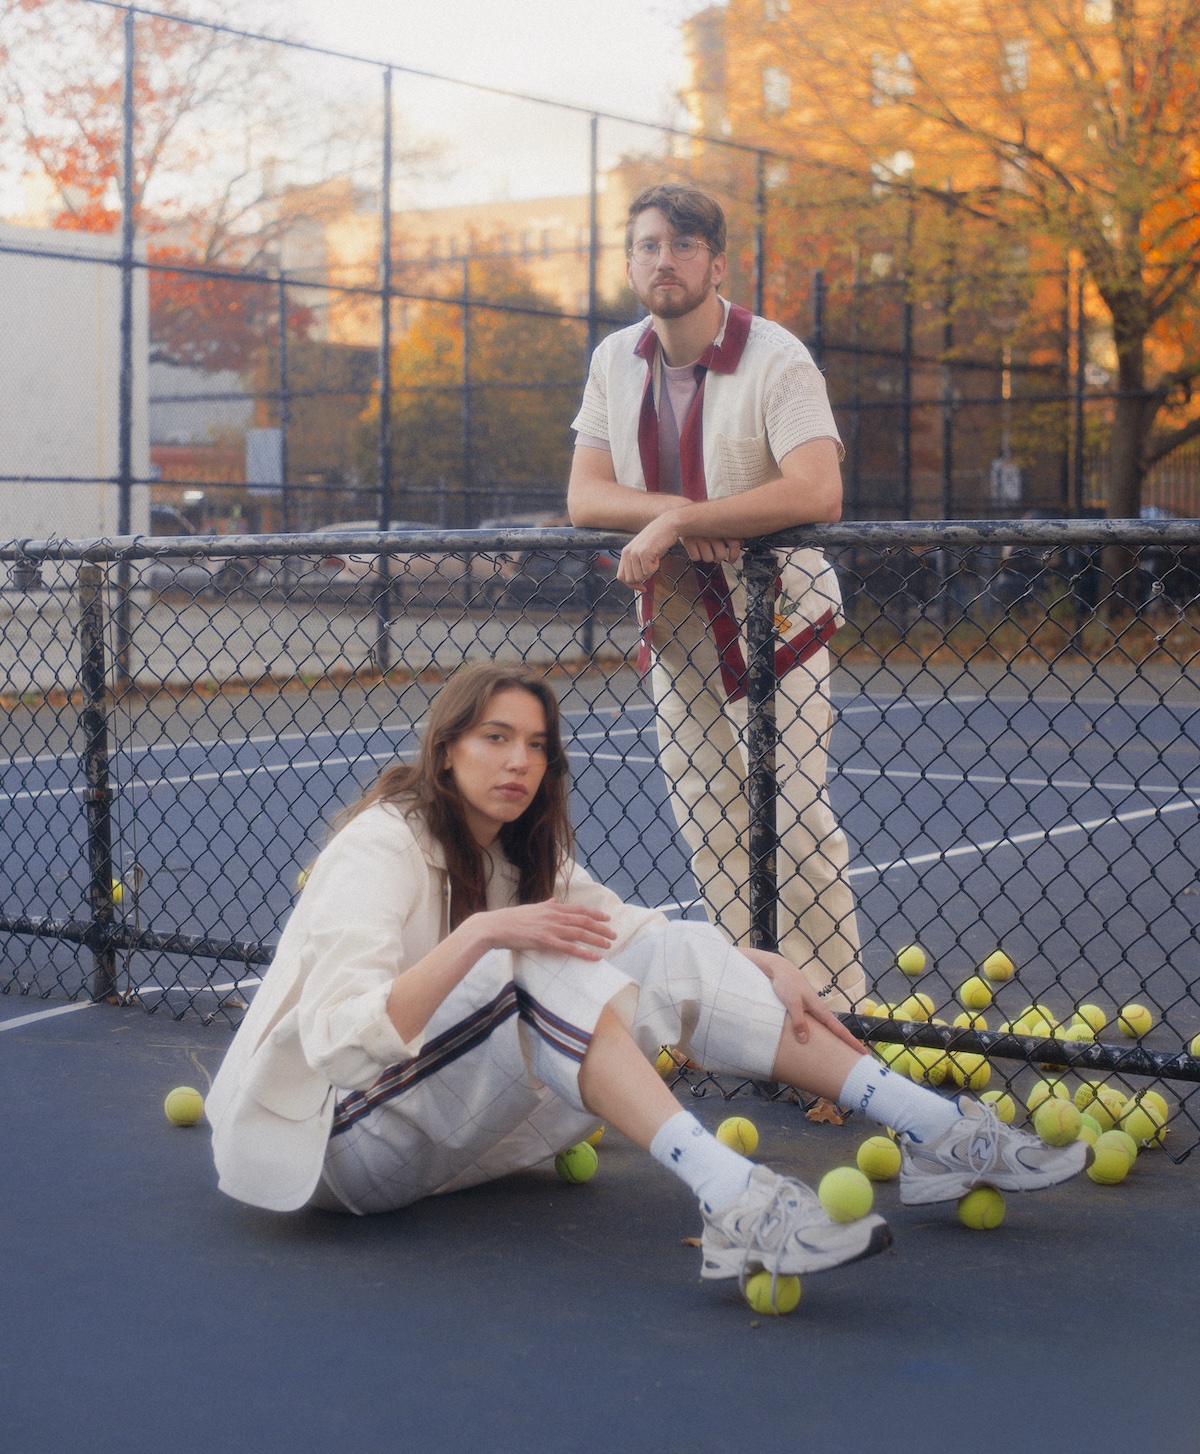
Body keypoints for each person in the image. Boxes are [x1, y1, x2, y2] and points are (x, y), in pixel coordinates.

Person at [206, 663, 1084, 1293]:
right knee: (530, 960)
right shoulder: (382, 845)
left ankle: (936, 1133)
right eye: (495, 739)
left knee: (664, 948)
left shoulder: (517, 853)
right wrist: (481, 935)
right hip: (335, 1144)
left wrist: (757, 961)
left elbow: (633, 938)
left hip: (432, 1135)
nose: (519, 761)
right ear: (445, 753)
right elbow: (338, 1039)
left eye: (537, 746)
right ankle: (733, 1200)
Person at [568, 182, 862, 1011]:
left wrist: (682, 521)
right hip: (680, 623)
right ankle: (751, 1008)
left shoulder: (776, 355)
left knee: (795, 824)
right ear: (630, 261)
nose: (665, 260)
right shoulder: (612, 360)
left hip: (778, 615)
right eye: (649, 245)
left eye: (684, 246)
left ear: (716, 263)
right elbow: (586, 496)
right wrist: (672, 519)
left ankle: (835, 1014)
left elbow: (817, 489)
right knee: (712, 822)